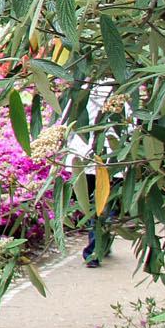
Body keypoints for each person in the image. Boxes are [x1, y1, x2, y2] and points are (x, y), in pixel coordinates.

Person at [68, 81, 116, 266]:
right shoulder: (120, 88)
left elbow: (67, 121)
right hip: (111, 156)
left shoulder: (80, 90)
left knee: (91, 205)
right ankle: (96, 248)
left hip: (82, 158)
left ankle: (98, 246)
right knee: (104, 205)